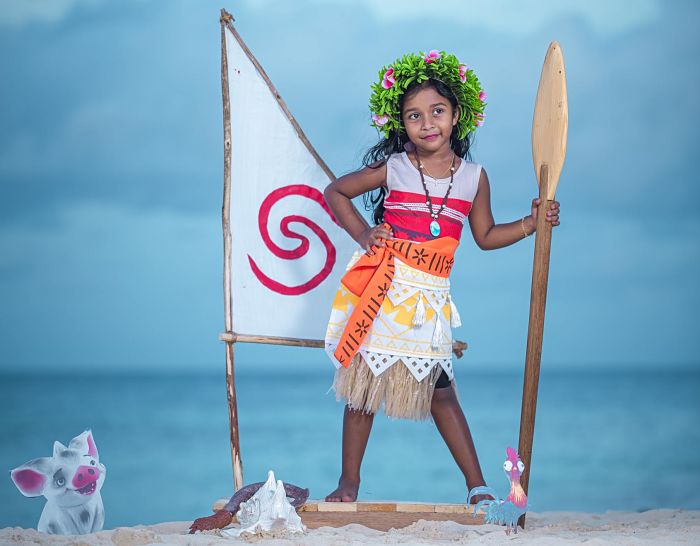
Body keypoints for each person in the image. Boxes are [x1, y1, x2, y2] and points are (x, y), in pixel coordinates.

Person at [322, 49, 561, 503]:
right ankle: (348, 483)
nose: (427, 123)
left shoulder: (473, 178)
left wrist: (532, 224)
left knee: (442, 392)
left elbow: (486, 235)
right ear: (402, 124)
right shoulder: (393, 167)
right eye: (414, 116)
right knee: (362, 391)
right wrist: (364, 234)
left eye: (437, 111)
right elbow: (335, 192)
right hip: (385, 287)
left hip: (431, 295)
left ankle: (477, 487)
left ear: (456, 116)